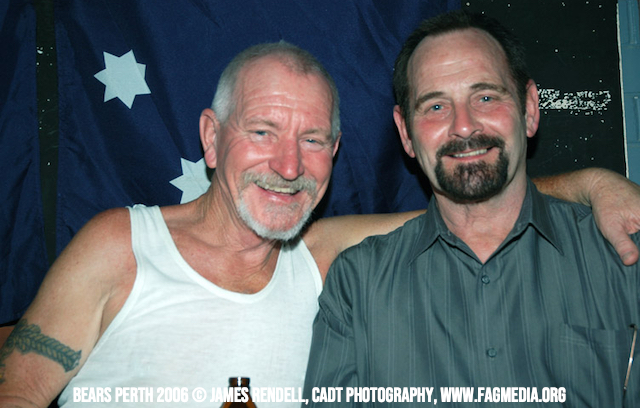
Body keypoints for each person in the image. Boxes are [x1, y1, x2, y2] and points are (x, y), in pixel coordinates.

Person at [0, 41, 638, 408]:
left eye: (311, 140)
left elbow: (471, 199)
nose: (288, 166)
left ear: (333, 152)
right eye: (262, 132)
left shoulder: (326, 258)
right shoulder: (123, 245)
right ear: (211, 138)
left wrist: (593, 183)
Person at [303, 11, 640, 407]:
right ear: (405, 133)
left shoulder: (622, 258)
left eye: (485, 97)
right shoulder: (356, 285)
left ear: (530, 109)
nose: (463, 126)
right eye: (435, 106)